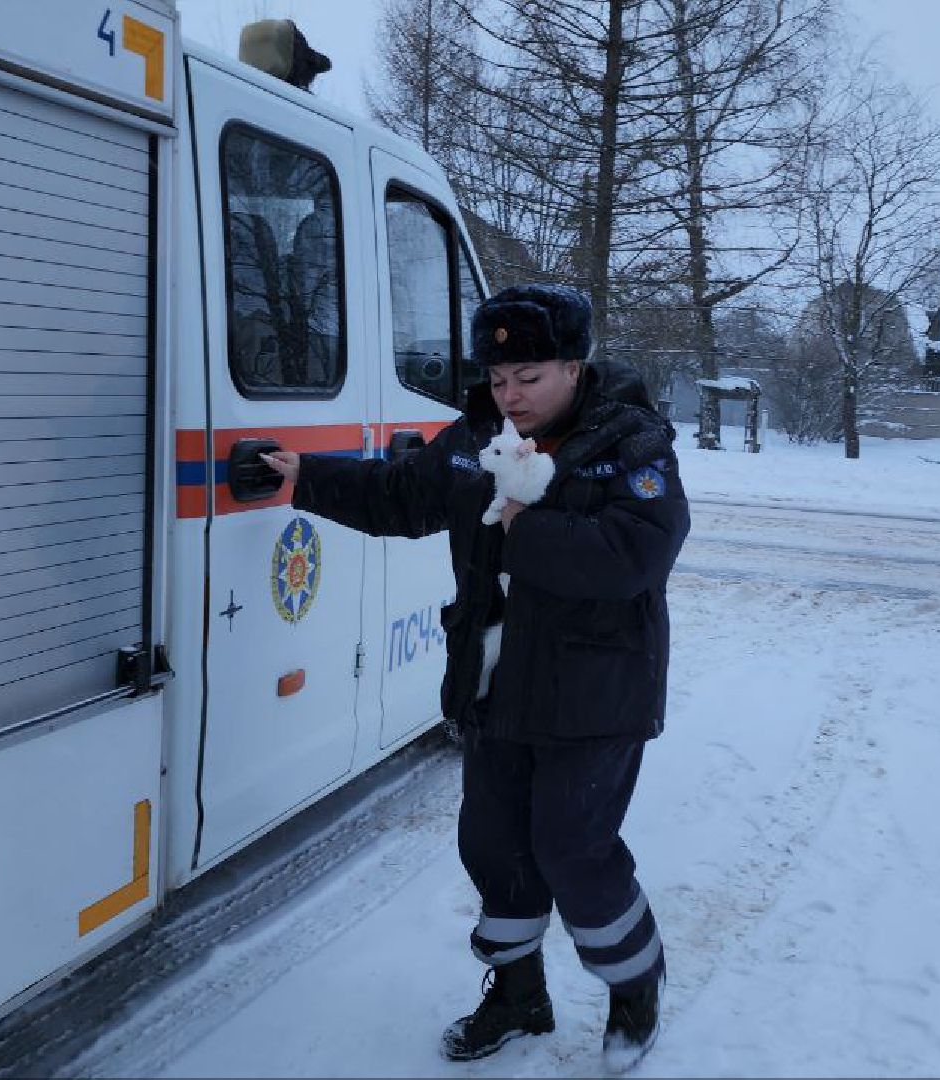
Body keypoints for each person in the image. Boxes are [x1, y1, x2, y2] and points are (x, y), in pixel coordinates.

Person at [261, 283, 689, 1073]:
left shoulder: (629, 443)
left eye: (528, 376)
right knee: (493, 847)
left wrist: (528, 528)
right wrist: (305, 477)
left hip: (596, 694)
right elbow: (403, 496)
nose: (510, 395)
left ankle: (634, 985)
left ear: (572, 366)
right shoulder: (475, 437)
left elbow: (637, 555)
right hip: (493, 682)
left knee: (573, 849)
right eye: (498, 380)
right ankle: (520, 994)